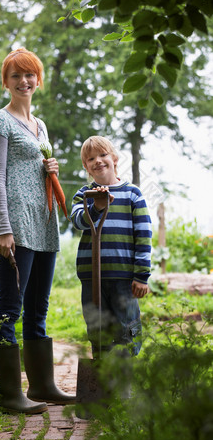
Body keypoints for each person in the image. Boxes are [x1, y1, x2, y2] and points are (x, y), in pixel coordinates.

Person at [0, 47, 75, 414]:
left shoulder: (41, 126)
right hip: (17, 227)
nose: (24, 81)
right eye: (16, 76)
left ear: (38, 79)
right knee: (9, 308)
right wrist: (3, 229)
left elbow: (30, 170)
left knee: (38, 309)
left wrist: (47, 165)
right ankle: (9, 396)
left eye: (30, 75)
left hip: (45, 224)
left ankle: (42, 386)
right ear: (6, 82)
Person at [71, 136, 152, 360]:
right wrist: (96, 206)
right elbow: (77, 221)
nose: (98, 161)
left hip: (123, 277)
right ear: (86, 166)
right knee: (97, 329)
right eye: (91, 158)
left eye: (103, 155)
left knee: (125, 327)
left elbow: (143, 236)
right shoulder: (84, 194)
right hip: (91, 276)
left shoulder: (132, 194)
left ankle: (123, 381)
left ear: (114, 158)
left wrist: (141, 276)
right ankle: (102, 378)